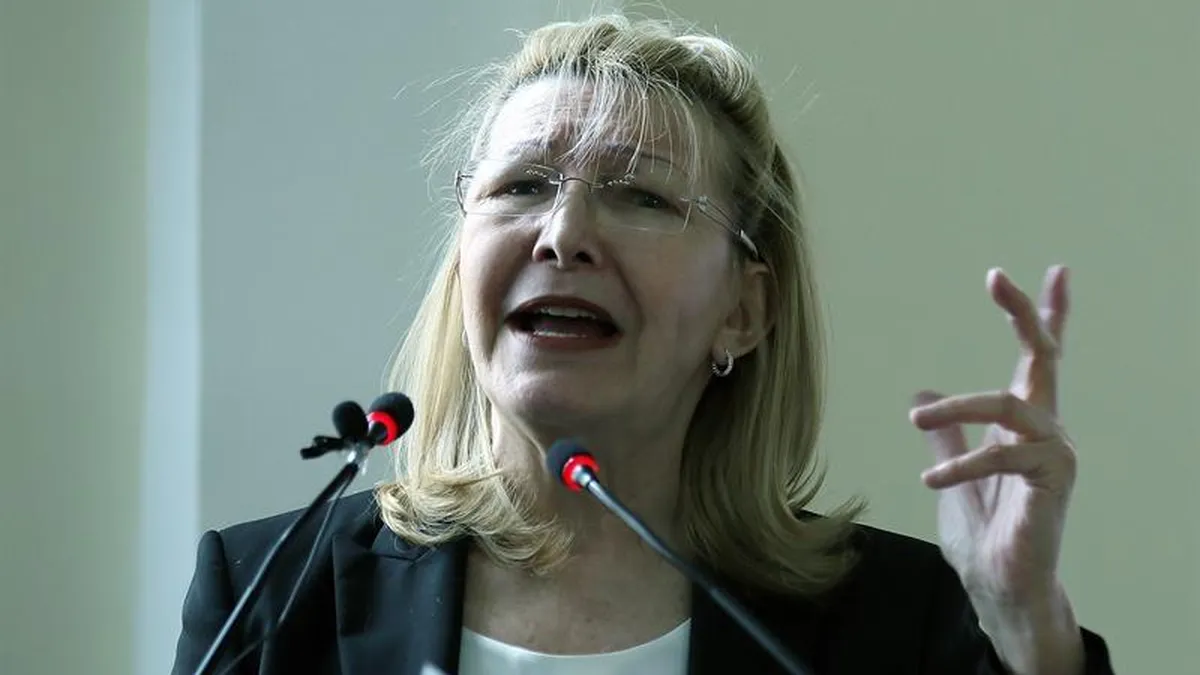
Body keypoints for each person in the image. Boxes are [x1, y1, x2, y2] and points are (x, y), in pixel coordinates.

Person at [172, 14, 1115, 675]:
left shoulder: (898, 623)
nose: (562, 235)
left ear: (745, 309)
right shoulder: (269, 597)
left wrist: (1023, 627)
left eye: (642, 196)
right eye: (521, 186)